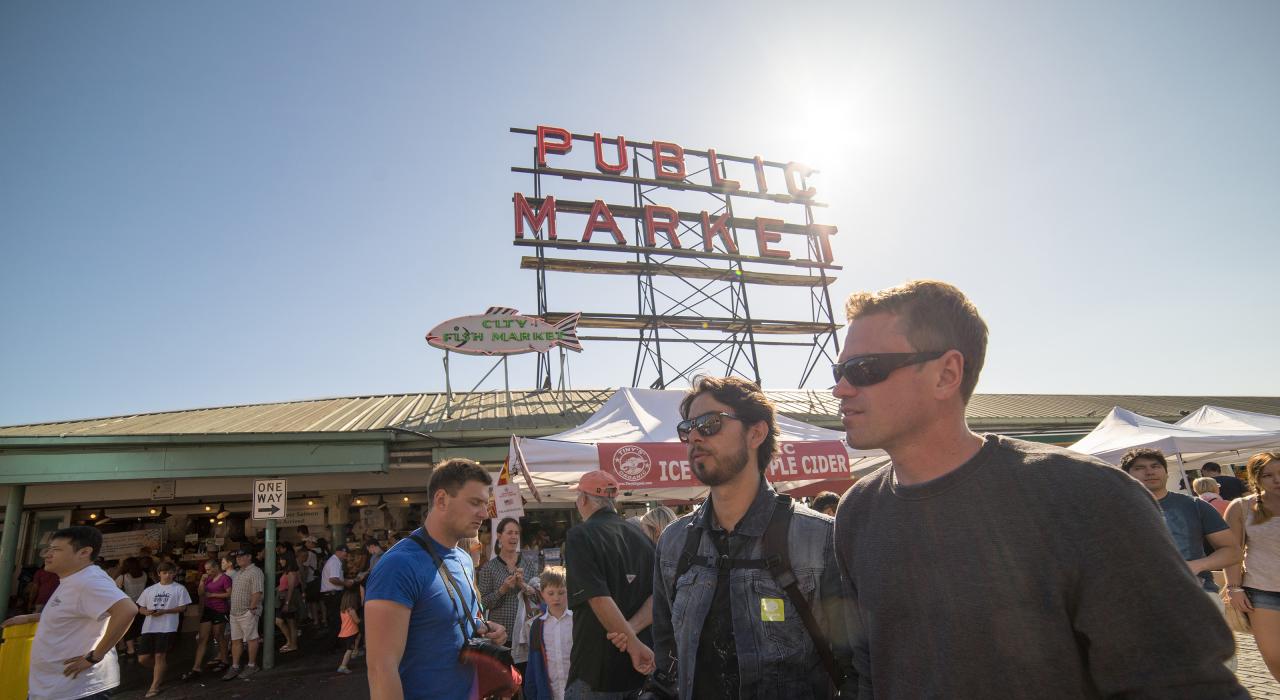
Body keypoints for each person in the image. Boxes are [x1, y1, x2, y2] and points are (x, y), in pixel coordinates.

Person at [830, 280, 1245, 698]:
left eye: (864, 369)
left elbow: (1183, 684)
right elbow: (870, 664)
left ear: (947, 374)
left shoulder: (1087, 496)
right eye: (839, 371)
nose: (840, 388)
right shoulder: (858, 510)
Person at [650, 375, 851, 699]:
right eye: (687, 429)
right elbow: (667, 659)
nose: (694, 437)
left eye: (709, 423)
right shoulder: (674, 543)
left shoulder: (819, 539)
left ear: (756, 432)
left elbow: (855, 669)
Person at [365, 458, 508, 700]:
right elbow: (381, 669)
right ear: (441, 500)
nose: (484, 513)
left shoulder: (463, 559)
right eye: (475, 503)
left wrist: (486, 630)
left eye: (485, 504)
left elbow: (450, 623)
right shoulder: (398, 565)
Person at [2, 526, 139, 700]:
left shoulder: (88, 581)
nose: (47, 555)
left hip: (75, 690)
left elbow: (127, 610)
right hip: (55, 687)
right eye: (49, 549)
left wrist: (95, 657)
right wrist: (31, 617)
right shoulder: (74, 578)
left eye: (56, 550)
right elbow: (75, 613)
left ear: (84, 552)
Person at [563, 470, 655, 698]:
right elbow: (659, 596)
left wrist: (631, 642)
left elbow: (597, 597)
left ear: (583, 500)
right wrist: (631, 633)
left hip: (596, 671)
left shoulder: (580, 536)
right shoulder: (642, 537)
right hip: (638, 674)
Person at [1225, 451, 1280, 681]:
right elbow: (1232, 552)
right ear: (1256, 479)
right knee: (1275, 658)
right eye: (1268, 475)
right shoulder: (1241, 507)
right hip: (1262, 591)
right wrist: (1233, 588)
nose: (1277, 480)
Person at [479, 517, 542, 671]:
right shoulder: (489, 568)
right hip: (501, 636)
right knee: (506, 686)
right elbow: (482, 603)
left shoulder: (528, 563)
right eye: (509, 533)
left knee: (528, 683)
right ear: (499, 536)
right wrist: (503, 589)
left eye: (516, 533)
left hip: (526, 634)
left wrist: (523, 586)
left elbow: (540, 598)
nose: (514, 537)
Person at [135, 562, 193, 697]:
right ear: (159, 573)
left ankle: (154, 686)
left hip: (167, 626)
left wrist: (165, 611)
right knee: (143, 658)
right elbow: (140, 608)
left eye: (171, 572)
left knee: (160, 655)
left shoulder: (179, 589)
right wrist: (147, 612)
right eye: (165, 572)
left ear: (174, 573)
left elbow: (183, 607)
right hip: (149, 627)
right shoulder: (149, 590)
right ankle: (160, 670)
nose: (168, 575)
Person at [525, 566, 573, 700]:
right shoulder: (538, 626)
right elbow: (533, 664)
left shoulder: (576, 621)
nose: (556, 598)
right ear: (542, 593)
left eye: (561, 592)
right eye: (551, 593)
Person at [183, 558, 232, 681]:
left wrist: (214, 595)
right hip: (208, 609)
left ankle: (224, 659)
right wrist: (201, 581)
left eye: (209, 569)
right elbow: (200, 593)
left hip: (220, 609)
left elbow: (229, 593)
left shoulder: (225, 578)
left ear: (216, 567)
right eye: (206, 570)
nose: (208, 572)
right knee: (203, 637)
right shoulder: (208, 578)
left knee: (218, 635)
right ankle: (196, 667)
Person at [222, 548, 264, 681]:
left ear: (249, 557)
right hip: (235, 612)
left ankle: (251, 665)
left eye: (242, 556)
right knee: (236, 640)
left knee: (251, 638)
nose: (238, 559)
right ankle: (235, 666)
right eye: (237, 557)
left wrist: (252, 608)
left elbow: (257, 591)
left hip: (247, 611)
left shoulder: (255, 572)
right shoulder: (239, 572)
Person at [114, 556, 150, 659]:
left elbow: (114, 589)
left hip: (127, 604)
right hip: (141, 604)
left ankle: (130, 649)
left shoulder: (124, 577)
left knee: (128, 627)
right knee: (139, 626)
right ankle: (138, 646)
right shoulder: (144, 575)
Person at [321, 544, 353, 648]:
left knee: (334, 620)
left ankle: (333, 644)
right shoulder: (335, 562)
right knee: (336, 621)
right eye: (345, 553)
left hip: (330, 594)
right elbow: (333, 579)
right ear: (339, 552)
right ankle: (332, 645)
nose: (346, 555)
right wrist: (345, 583)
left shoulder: (333, 561)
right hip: (333, 595)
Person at [274, 557, 302, 653]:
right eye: (280, 559)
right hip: (282, 598)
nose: (280, 560)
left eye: (283, 559)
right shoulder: (286, 571)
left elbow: (290, 589)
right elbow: (282, 586)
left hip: (287, 599)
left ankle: (293, 644)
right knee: (279, 621)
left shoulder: (291, 573)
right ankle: (289, 641)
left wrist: (287, 603)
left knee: (291, 623)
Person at [336, 588, 363, 674]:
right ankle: (343, 666)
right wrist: (362, 620)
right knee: (348, 650)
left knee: (359, 635)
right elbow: (357, 620)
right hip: (350, 633)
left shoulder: (342, 610)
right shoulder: (351, 610)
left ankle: (355, 651)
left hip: (344, 633)